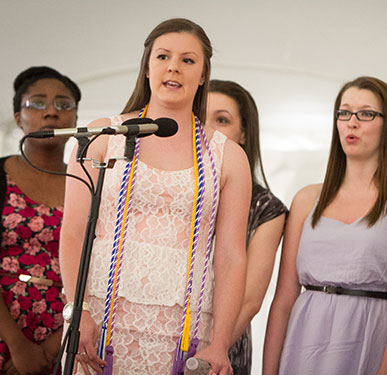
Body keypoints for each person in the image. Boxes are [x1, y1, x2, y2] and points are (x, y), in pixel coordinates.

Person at [59, 18, 251, 375]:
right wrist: (77, 311)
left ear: (204, 74)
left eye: (188, 60)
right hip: (99, 320)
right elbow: (73, 232)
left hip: (183, 329)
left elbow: (231, 255)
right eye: (163, 56)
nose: (173, 66)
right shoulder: (101, 137)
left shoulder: (228, 157)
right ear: (147, 67)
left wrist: (221, 340)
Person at [262, 76, 387, 375]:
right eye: (344, 112)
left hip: (372, 339)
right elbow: (284, 300)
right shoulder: (306, 198)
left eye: (365, 113)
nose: (351, 122)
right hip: (306, 341)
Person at [0, 66, 81, 374]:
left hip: (68, 332)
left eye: (63, 104)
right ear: (19, 117)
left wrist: (53, 347)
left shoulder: (89, 185)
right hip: (6, 326)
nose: (51, 112)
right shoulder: (1, 174)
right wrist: (18, 346)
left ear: (75, 118)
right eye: (37, 103)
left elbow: (99, 273)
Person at [206, 79, 287, 375]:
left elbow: (251, 300)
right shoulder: (169, 189)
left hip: (222, 348)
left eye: (222, 120)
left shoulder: (267, 208)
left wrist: (213, 346)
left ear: (243, 134)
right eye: (199, 117)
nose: (208, 128)